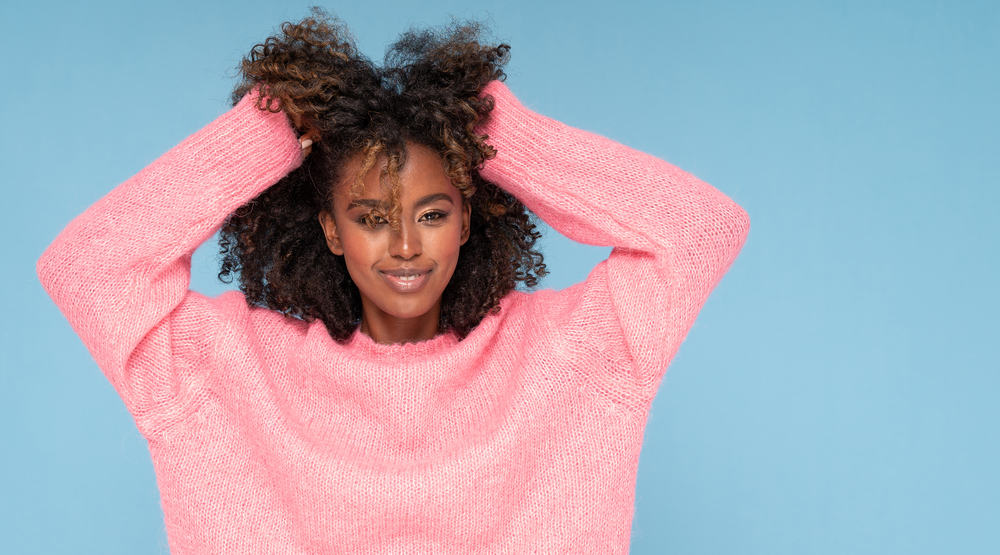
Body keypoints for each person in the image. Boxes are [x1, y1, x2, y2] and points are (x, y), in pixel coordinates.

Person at [36, 7, 749, 554]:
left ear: (468, 218)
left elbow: (701, 231)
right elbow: (87, 268)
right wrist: (271, 130)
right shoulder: (221, 370)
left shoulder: (577, 352)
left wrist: (498, 133)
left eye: (433, 211)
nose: (406, 245)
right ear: (329, 229)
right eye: (372, 216)